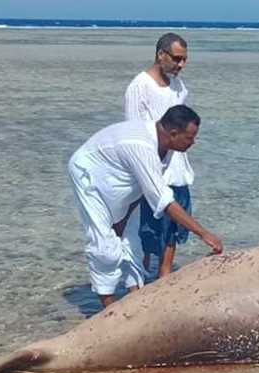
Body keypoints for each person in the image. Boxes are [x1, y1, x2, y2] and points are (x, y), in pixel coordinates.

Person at [68, 105, 223, 308]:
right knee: (105, 244)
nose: (193, 143)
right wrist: (203, 233)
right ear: (174, 133)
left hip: (121, 176)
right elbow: (163, 200)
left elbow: (145, 189)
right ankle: (108, 306)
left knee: (133, 240)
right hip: (88, 173)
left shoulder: (165, 145)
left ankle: (136, 297)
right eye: (190, 138)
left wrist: (124, 217)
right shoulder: (142, 146)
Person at [124, 32, 194, 278]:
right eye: (177, 59)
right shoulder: (139, 87)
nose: (181, 65)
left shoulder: (178, 86)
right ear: (161, 55)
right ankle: (138, 281)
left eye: (184, 60)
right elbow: (133, 133)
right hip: (152, 170)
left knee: (172, 232)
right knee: (147, 233)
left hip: (178, 170)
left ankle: (164, 278)